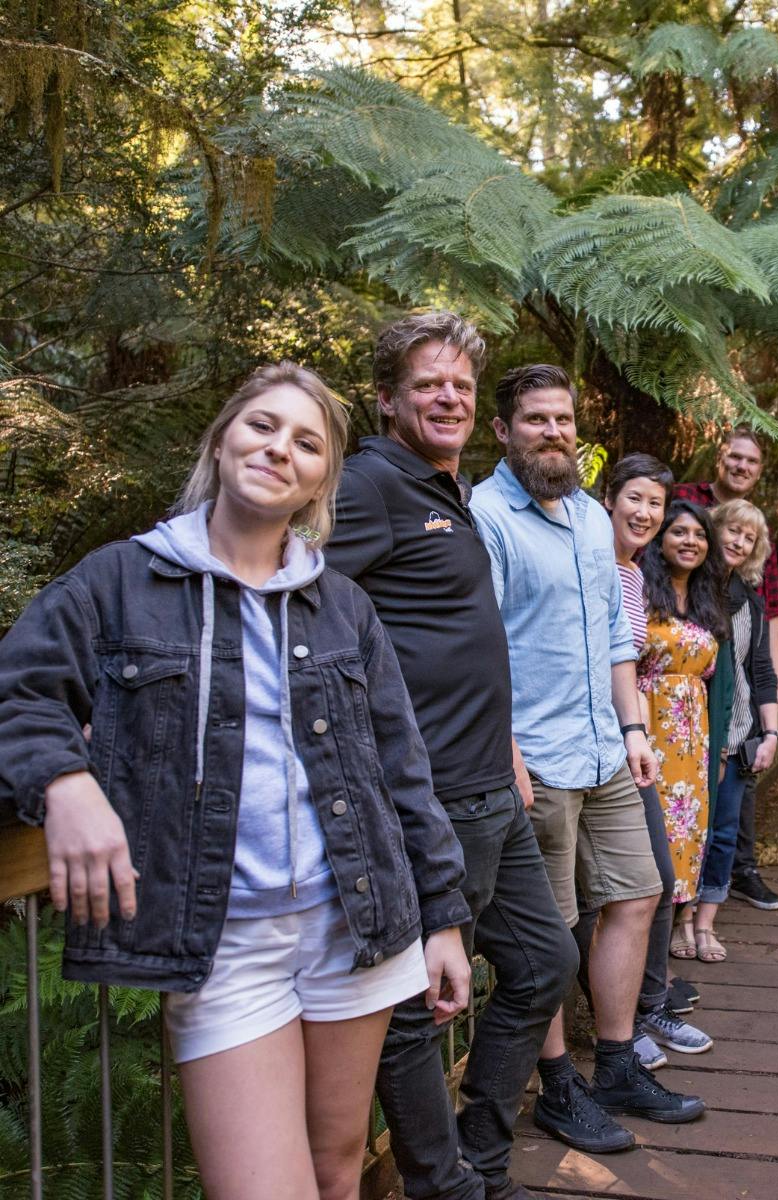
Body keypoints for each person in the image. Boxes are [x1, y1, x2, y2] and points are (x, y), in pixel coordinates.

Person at [0, 363, 473, 1200]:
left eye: (307, 442)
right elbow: (21, 689)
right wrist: (65, 786)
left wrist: (442, 919)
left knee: (337, 1168)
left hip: (354, 926)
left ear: (322, 477)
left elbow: (400, 769)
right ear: (222, 442)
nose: (279, 449)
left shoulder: (342, 606)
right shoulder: (119, 580)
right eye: (261, 426)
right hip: (224, 943)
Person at [325, 313, 578, 1200]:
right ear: (388, 398)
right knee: (415, 1009)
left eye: (462, 387)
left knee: (546, 964)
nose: (449, 397)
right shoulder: (369, 486)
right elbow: (289, 595)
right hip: (431, 801)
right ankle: (445, 1184)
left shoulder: (444, 489)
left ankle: (482, 1151)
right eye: (428, 384)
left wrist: (504, 744)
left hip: (491, 792)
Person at [470, 364, 705, 1155]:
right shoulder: (486, 516)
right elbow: (482, 647)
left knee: (641, 893)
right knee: (552, 932)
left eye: (563, 419)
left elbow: (613, 638)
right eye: (535, 419)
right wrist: (502, 747)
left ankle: (613, 1063)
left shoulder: (584, 517)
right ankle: (557, 1087)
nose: (553, 432)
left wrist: (635, 731)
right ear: (503, 431)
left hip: (605, 748)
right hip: (534, 759)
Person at [587, 453, 713, 1062]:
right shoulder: (585, 557)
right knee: (614, 893)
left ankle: (648, 1007)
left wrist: (635, 731)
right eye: (634, 498)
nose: (643, 512)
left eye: (654, 503)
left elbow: (622, 661)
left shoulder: (633, 574)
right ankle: (620, 1024)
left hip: (628, 742)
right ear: (609, 497)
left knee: (657, 882)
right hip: (582, 744)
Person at [675, 428, 778, 911]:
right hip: (683, 702)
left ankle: (734, 877)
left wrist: (773, 703)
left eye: (752, 462)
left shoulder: (751, 572)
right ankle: (682, 904)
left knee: (736, 791)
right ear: (719, 457)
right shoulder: (687, 502)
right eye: (735, 457)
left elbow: (771, 613)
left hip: (737, 704)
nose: (742, 467)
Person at [636, 500, 728, 955]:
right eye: (679, 532)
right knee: (654, 830)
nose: (689, 541)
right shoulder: (640, 588)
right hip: (649, 722)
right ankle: (654, 938)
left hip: (694, 733)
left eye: (698, 534)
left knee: (689, 829)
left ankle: (680, 925)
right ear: (660, 538)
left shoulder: (708, 599)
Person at [694, 500, 778, 962]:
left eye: (748, 538)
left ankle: (705, 922)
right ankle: (678, 921)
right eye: (731, 530)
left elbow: (761, 669)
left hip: (740, 735)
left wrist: (771, 734)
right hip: (691, 736)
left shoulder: (750, 599)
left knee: (724, 834)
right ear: (714, 530)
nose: (737, 541)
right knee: (690, 832)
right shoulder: (688, 588)